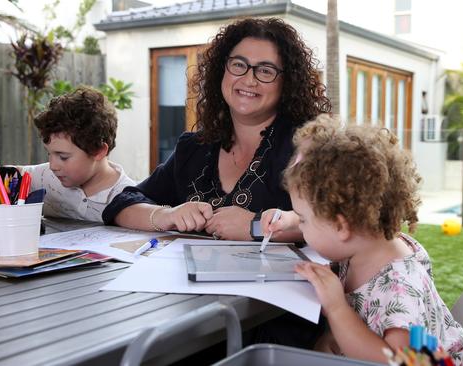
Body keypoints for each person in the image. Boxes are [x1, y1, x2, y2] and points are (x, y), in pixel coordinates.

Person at [102, 18, 330, 240]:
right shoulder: (194, 148)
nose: (249, 80)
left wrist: (256, 226)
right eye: (239, 65)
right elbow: (122, 204)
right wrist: (167, 215)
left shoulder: (307, 147)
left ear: (287, 82)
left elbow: (335, 220)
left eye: (266, 71)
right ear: (222, 70)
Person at [268, 117, 463, 364]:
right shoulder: (364, 252)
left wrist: (337, 309)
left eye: (303, 219)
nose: (301, 227)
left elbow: (398, 362)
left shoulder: (399, 284)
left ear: (341, 226)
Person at [22, 86, 136, 222]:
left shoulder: (128, 198)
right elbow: (4, 176)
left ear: (98, 151)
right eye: (49, 154)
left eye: (63, 157)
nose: (53, 166)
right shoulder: (45, 177)